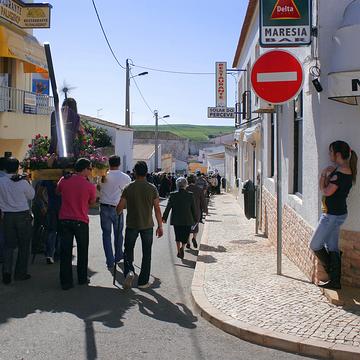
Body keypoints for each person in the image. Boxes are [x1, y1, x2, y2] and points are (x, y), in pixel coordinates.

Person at [310, 141, 357, 290]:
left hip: (332, 216)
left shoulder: (339, 174)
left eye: (330, 152)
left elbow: (325, 191)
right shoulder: (346, 170)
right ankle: (335, 281)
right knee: (332, 247)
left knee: (315, 244)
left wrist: (324, 174)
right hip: (338, 214)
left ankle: (333, 273)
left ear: (337, 155)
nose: (329, 155)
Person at [116, 161, 163, 289]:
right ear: (146, 172)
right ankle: (143, 282)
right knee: (147, 253)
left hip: (132, 225)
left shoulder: (128, 187)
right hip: (147, 225)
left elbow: (120, 207)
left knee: (128, 250)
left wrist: (119, 211)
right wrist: (160, 226)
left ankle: (129, 272)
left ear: (134, 172)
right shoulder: (152, 188)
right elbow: (157, 208)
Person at [57, 158, 97, 290]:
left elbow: (58, 192)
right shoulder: (89, 185)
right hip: (81, 220)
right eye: (90, 168)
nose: (91, 171)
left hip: (65, 220)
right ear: (85, 169)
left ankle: (66, 282)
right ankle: (81, 278)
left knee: (65, 252)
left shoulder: (65, 180)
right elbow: (92, 203)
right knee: (82, 250)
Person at [0, 157, 34, 284]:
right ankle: (20, 273)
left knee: (8, 246)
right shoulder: (22, 182)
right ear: (17, 168)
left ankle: (6, 273)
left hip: (7, 215)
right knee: (24, 246)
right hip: (22, 214)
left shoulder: (1, 181)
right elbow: (32, 195)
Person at [98, 155, 131, 269]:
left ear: (109, 163)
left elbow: (99, 188)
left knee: (106, 235)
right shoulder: (125, 177)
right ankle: (118, 255)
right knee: (118, 234)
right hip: (117, 208)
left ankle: (109, 260)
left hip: (104, 207)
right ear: (119, 164)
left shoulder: (103, 175)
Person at [162, 177, 196, 259]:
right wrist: (195, 218)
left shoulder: (173, 195)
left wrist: (164, 218)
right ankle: (182, 248)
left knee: (177, 235)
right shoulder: (190, 195)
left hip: (176, 219)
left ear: (177, 185)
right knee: (185, 236)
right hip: (187, 219)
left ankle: (178, 250)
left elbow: (168, 207)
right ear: (185, 185)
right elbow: (193, 208)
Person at [186, 174, 206, 249]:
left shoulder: (185, 189)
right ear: (195, 181)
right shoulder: (199, 189)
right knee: (195, 225)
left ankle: (187, 242)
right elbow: (203, 201)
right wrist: (205, 210)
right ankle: (194, 238)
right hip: (196, 210)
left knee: (187, 227)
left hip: (187, 211)